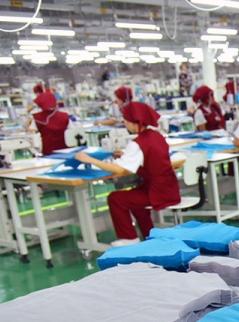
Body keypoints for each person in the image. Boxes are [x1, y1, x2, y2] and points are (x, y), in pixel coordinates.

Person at [74, 102, 180, 246]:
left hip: (157, 192)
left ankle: (129, 238)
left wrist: (89, 159)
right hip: (169, 188)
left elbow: (119, 170)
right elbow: (148, 157)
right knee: (134, 200)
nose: (124, 123)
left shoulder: (137, 144)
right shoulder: (156, 136)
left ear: (132, 122)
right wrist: (126, 156)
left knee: (115, 198)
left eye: (125, 120)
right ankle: (150, 235)